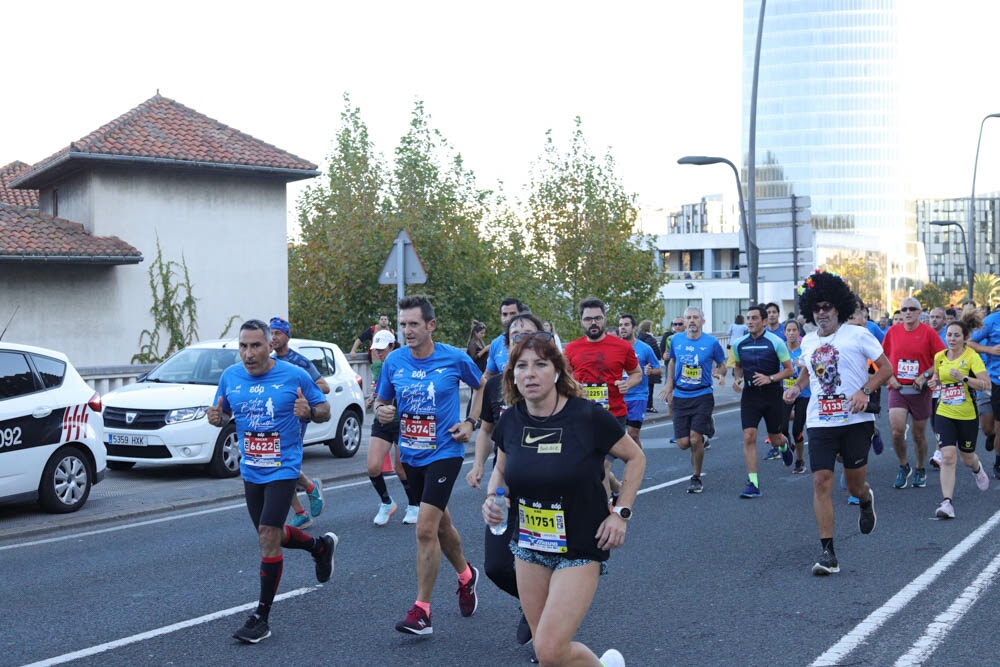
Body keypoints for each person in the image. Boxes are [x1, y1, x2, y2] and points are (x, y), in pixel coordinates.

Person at [482, 330, 645, 667]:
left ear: (557, 370)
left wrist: (620, 513)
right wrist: (495, 498)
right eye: (522, 366)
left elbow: (636, 458)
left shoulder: (586, 416)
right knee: (547, 654)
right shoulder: (511, 421)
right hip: (529, 545)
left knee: (551, 649)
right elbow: (501, 469)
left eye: (540, 364)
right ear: (512, 374)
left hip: (580, 547)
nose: (530, 373)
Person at [208, 319, 337, 644]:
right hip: (251, 470)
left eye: (255, 346)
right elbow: (223, 413)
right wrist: (216, 418)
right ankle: (320, 547)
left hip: (284, 468)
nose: (248, 353)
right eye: (243, 346)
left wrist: (309, 411)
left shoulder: (293, 375)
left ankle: (261, 617)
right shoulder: (230, 377)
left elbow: (325, 410)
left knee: (267, 536)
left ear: (270, 347)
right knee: (273, 535)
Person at [373, 295, 484, 636]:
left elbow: (481, 387)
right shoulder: (394, 362)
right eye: (403, 324)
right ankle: (466, 576)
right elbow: (382, 400)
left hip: (445, 452)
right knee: (439, 524)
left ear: (430, 325)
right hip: (411, 453)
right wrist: (382, 410)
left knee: (424, 529)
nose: (407, 330)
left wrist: (470, 423)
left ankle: (421, 611)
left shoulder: (453, 357)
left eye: (413, 324)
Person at [783, 270, 891, 576]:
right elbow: (807, 371)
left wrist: (864, 391)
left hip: (856, 419)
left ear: (838, 308)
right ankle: (828, 553)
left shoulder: (858, 334)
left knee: (855, 484)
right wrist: (796, 387)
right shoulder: (808, 341)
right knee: (821, 482)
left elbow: (885, 369)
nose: (821, 313)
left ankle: (866, 499)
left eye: (827, 306)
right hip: (820, 421)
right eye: (816, 308)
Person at [466, 312, 545, 651]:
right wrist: (479, 466)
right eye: (515, 334)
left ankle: (547, 635)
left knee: (543, 561)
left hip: (548, 491)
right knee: (497, 565)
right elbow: (487, 430)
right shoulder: (496, 384)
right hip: (507, 484)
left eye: (528, 333)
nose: (521, 338)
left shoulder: (555, 383)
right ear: (506, 342)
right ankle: (532, 603)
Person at [564, 298, 641, 500]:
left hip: (613, 414)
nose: (594, 323)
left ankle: (605, 513)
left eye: (598, 318)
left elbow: (637, 373)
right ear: (581, 321)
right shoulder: (571, 349)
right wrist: (573, 387)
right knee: (593, 466)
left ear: (605, 319)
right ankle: (615, 486)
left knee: (603, 466)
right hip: (583, 415)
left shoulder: (621, 347)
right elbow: (564, 377)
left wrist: (628, 383)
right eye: (588, 319)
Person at [929, 312, 991, 519]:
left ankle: (977, 468)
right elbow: (938, 379)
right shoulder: (940, 357)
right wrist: (933, 383)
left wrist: (964, 378)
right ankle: (947, 503)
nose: (952, 339)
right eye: (949, 335)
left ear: (965, 338)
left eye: (957, 335)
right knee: (948, 456)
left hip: (966, 414)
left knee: (967, 458)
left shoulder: (971, 357)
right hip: (944, 411)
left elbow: (986, 384)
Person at [268, 317, 328, 529]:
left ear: (287, 336)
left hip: (295, 421)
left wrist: (300, 393)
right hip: (274, 422)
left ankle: (309, 492)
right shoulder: (270, 361)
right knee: (277, 466)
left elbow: (324, 386)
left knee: (283, 465)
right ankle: (303, 506)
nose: (273, 337)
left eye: (277, 333)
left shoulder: (300, 362)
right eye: (271, 333)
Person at [881, 296, 945, 490]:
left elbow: (941, 359)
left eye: (912, 309)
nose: (907, 312)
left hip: (919, 390)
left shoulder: (928, 333)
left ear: (919, 312)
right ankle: (903, 465)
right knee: (896, 430)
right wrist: (889, 378)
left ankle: (919, 468)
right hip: (898, 389)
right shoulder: (892, 332)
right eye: (904, 309)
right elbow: (881, 358)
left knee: (918, 434)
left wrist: (925, 375)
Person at [660, 306, 726, 493]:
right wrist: (668, 384)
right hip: (681, 395)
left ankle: (696, 476)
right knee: (683, 443)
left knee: (695, 439)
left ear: (702, 321)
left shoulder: (711, 342)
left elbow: (722, 365)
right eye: (688, 317)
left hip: (702, 395)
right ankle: (708, 426)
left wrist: (720, 375)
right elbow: (672, 361)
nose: (691, 321)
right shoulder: (676, 340)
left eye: (695, 317)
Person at [732, 304, 794, 497]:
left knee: (775, 438)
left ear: (764, 321)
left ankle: (783, 445)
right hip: (750, 395)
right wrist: (738, 379)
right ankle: (753, 483)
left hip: (772, 395)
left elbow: (790, 370)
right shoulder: (739, 343)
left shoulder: (776, 342)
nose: (750, 321)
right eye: (748, 318)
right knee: (749, 436)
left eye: (754, 318)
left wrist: (771, 378)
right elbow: (738, 366)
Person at [366, 329, 421, 526]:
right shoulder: (380, 366)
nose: (378, 353)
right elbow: (381, 394)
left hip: (403, 422)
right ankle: (386, 502)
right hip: (383, 421)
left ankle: (414, 504)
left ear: (392, 346)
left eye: (382, 349)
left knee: (401, 469)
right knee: (372, 466)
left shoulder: (406, 363)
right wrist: (374, 401)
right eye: (376, 349)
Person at [617, 314, 661, 448]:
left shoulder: (645, 348)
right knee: (616, 436)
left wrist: (650, 371)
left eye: (626, 325)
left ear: (634, 328)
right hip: (618, 396)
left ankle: (638, 462)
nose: (623, 328)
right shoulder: (614, 348)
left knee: (633, 433)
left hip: (638, 395)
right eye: (621, 325)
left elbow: (658, 369)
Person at [782, 319, 810, 475]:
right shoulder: (781, 351)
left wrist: (803, 366)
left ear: (799, 333)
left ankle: (799, 460)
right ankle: (790, 447)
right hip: (785, 393)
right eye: (789, 330)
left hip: (803, 393)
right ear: (784, 333)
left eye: (794, 330)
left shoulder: (804, 350)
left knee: (797, 429)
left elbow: (814, 370)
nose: (791, 333)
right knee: (782, 429)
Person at [636, 319, 663, 412]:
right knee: (650, 388)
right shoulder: (651, 340)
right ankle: (649, 406)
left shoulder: (637, 339)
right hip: (650, 367)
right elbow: (658, 355)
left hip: (638, 367)